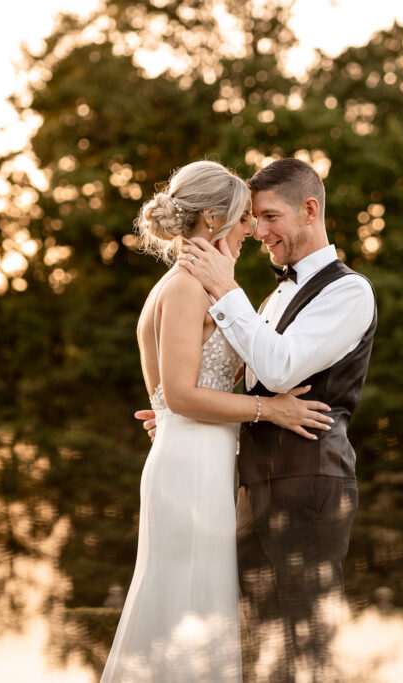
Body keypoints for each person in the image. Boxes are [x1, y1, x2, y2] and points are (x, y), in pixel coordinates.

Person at [101, 160, 334, 683]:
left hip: (194, 459)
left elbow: (170, 399)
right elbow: (181, 396)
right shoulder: (184, 287)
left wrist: (176, 416)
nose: (252, 229)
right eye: (243, 217)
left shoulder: (187, 285)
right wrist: (269, 409)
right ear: (213, 219)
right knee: (185, 608)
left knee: (194, 610)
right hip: (189, 468)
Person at [146, 158, 378, 681]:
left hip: (309, 488)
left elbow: (277, 372)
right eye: (252, 217)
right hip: (249, 491)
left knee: (309, 645)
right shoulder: (272, 297)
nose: (258, 231)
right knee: (256, 651)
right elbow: (243, 392)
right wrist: (181, 415)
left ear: (310, 210)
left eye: (270, 217)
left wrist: (228, 292)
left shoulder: (349, 291)